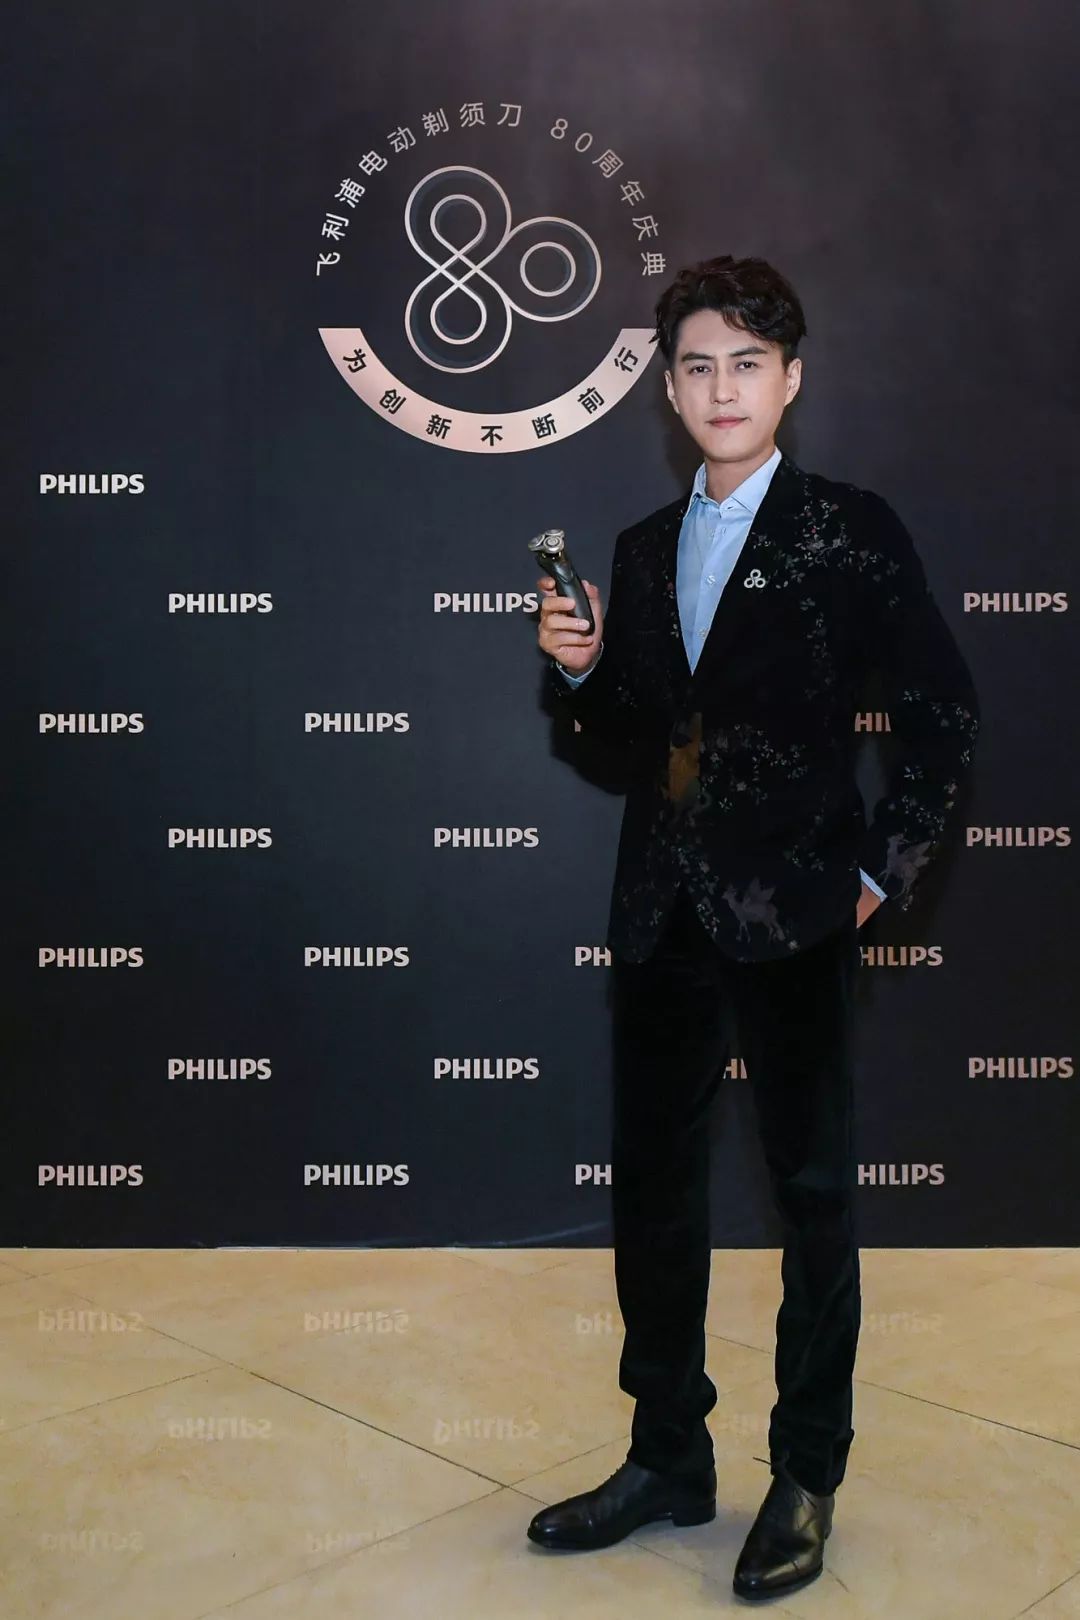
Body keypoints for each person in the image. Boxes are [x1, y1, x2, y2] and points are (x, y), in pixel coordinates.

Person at [526, 255, 979, 1600]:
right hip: (661, 914)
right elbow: (630, 748)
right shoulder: (637, 550)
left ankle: (807, 1474)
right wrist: (582, 674)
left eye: (747, 363)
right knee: (654, 1197)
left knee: (814, 1199)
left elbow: (942, 714)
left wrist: (884, 871)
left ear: (790, 380)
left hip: (796, 915)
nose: (721, 388)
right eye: (697, 367)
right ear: (668, 391)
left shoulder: (851, 529)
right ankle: (668, 1455)